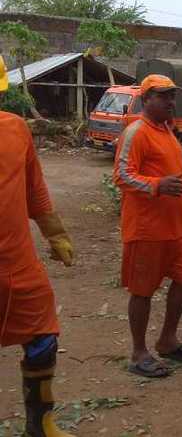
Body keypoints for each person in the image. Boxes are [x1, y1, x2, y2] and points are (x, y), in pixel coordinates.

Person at [0, 55, 76, 437]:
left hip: (15, 265)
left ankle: (40, 424)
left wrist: (55, 233)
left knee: (43, 336)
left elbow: (35, 192)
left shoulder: (14, 130)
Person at [113, 74, 182, 379]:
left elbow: (173, 175)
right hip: (146, 230)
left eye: (172, 96)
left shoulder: (167, 130)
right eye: (163, 96)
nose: (170, 102)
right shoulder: (136, 132)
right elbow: (122, 176)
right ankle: (139, 353)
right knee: (142, 291)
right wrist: (157, 186)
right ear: (145, 99)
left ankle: (167, 340)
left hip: (174, 226)